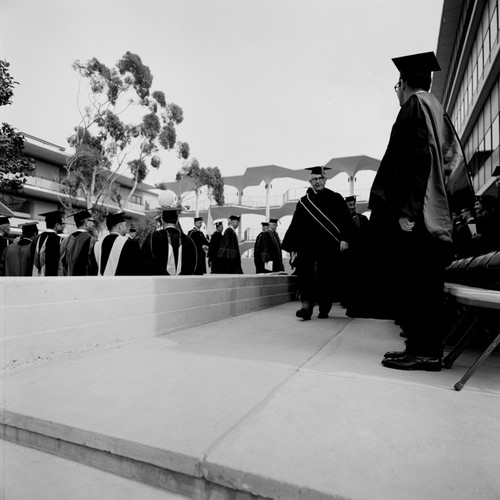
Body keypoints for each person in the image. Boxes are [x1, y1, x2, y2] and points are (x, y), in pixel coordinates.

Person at [368, 51, 474, 371]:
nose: (397, 92)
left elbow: (414, 161)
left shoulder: (415, 106)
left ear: (402, 83)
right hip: (436, 211)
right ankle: (417, 347)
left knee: (418, 285)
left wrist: (407, 209)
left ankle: (425, 352)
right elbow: (450, 166)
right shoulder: (437, 108)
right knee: (423, 284)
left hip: (421, 213)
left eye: (396, 85)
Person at [282, 166, 355, 320]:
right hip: (307, 246)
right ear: (310, 181)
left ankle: (324, 307)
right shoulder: (303, 203)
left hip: (328, 247)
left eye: (320, 178)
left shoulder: (335, 198)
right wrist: (293, 247)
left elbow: (346, 221)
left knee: (326, 277)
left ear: (325, 180)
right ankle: (306, 308)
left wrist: (345, 238)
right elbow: (296, 225)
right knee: (305, 276)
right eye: (314, 179)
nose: (318, 181)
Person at [140, 207, 197, 275]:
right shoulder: (189, 241)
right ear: (177, 220)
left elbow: (144, 263)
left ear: (162, 219)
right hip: (183, 284)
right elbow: (193, 266)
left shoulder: (153, 237)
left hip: (158, 283)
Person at [342, 195, 370, 308]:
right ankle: (346, 300)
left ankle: (358, 300)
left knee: (359, 277)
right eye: (350, 205)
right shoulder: (341, 220)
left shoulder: (362, 219)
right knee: (347, 278)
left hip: (359, 253)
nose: (352, 207)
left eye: (354, 205)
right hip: (347, 254)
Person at [59, 210, 98, 276]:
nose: (94, 224)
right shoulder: (93, 240)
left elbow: (60, 263)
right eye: (92, 221)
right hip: (85, 281)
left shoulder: (65, 240)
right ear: (86, 222)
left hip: (68, 280)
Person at [31, 210, 66, 276]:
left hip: (35, 278)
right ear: (57, 225)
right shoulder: (59, 240)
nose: (64, 226)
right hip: (52, 278)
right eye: (62, 224)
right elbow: (60, 264)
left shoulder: (36, 239)